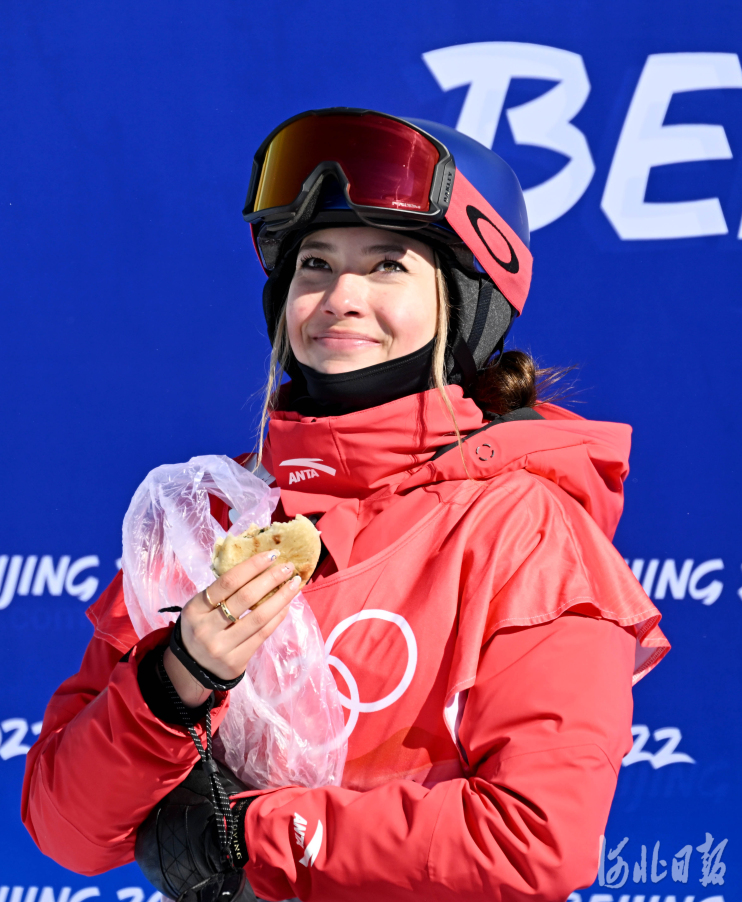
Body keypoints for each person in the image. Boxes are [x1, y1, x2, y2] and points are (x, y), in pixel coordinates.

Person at [22, 108, 669, 902]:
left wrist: (256, 833)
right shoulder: (212, 522)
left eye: (389, 265)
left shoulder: (521, 529)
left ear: (468, 300)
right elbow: (68, 832)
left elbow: (536, 841)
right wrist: (175, 680)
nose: (340, 296)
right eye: (316, 264)